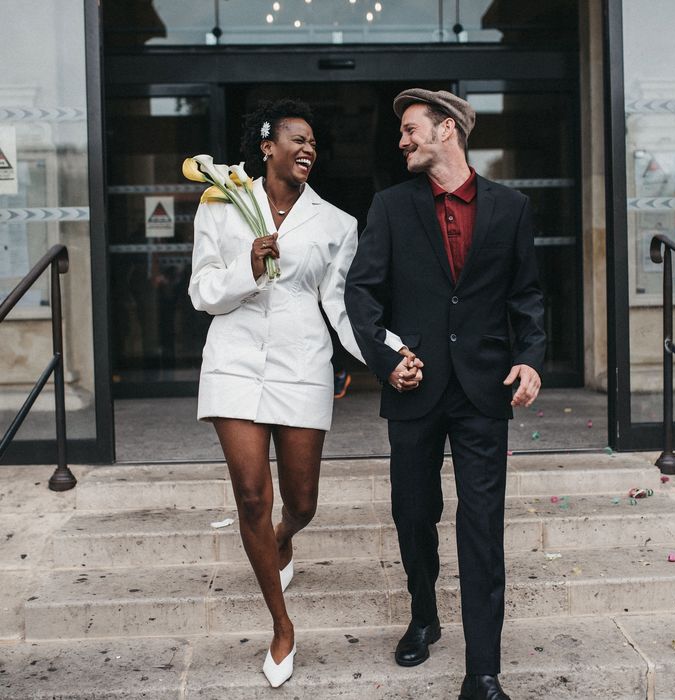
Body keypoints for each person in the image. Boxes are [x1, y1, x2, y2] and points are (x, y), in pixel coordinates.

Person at [188, 99, 410, 689]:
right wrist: (247, 265)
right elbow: (202, 291)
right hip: (234, 361)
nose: (307, 148)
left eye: (313, 142)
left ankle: (284, 541)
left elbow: (341, 308)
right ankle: (282, 627)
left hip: (303, 366)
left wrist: (386, 355)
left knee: (301, 503)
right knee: (251, 496)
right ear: (267, 147)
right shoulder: (220, 205)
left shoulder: (338, 224)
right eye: (296, 139)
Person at [345, 89, 546, 700]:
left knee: (482, 524)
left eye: (411, 130)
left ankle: (482, 672)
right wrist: (386, 360)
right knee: (414, 511)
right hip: (415, 386)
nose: (401, 140)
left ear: (447, 131)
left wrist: (530, 362)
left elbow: (527, 298)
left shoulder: (511, 208)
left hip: (486, 390)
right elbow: (363, 294)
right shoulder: (389, 207)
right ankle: (424, 613)